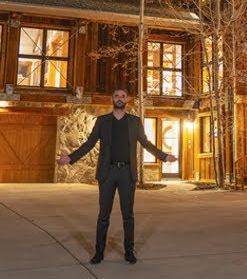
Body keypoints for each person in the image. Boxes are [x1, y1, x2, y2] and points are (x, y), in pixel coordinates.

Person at [57, 88, 176, 264]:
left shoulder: (134, 122)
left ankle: (129, 252)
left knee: (128, 215)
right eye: (116, 96)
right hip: (108, 173)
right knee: (103, 215)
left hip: (127, 173)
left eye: (122, 96)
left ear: (127, 100)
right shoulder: (102, 121)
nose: (119, 98)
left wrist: (163, 156)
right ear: (111, 99)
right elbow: (89, 143)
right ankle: (99, 252)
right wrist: (70, 157)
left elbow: (146, 143)